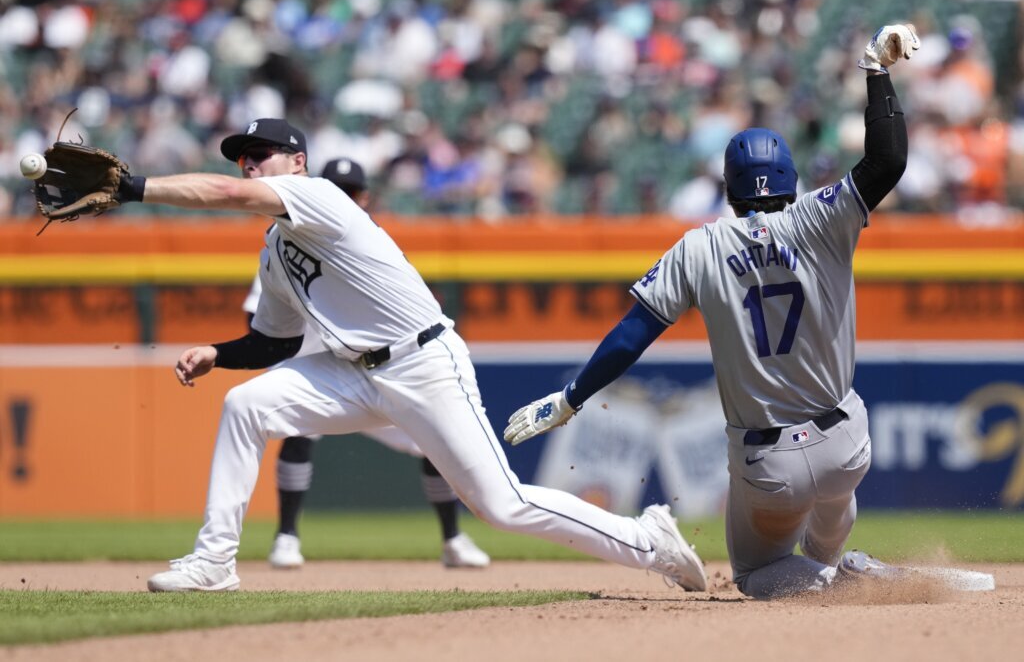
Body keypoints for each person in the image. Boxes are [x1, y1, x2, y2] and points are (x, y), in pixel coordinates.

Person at [136, 117, 706, 592]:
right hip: (355, 372)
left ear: (298, 162)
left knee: (502, 505)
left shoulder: (319, 196)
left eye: (262, 154)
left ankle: (647, 540)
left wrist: (134, 188)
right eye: (243, 158)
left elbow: (227, 195)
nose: (250, 165)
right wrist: (217, 350)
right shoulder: (276, 254)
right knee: (246, 405)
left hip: (423, 362)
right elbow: (274, 343)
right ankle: (214, 561)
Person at [504, 24, 920, 599]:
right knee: (834, 494)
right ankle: (841, 564)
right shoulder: (822, 218)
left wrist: (571, 399)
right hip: (847, 442)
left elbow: (631, 336)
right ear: (788, 179)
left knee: (755, 574)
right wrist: (877, 71)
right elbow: (889, 159)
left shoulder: (699, 245)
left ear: (730, 186)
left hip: (768, 462)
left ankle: (832, 580)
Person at [246, 157, 490, 569]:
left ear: (364, 197)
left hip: (385, 368)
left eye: (350, 191)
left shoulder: (370, 241)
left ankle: (453, 538)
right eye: (335, 188)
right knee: (293, 431)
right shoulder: (284, 242)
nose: (342, 196)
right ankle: (286, 536)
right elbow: (258, 318)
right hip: (319, 367)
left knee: (434, 441)